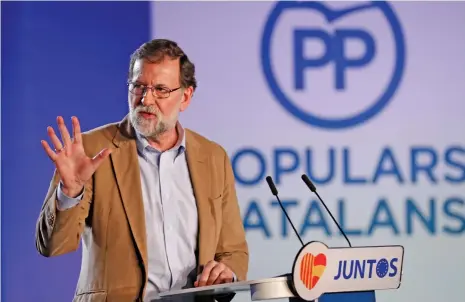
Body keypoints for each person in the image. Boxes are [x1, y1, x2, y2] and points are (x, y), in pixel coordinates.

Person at [35, 39, 249, 302]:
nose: (146, 99)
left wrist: (226, 272)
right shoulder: (92, 150)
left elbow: (233, 252)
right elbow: (53, 246)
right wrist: (70, 192)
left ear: (186, 96)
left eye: (160, 89)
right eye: (138, 86)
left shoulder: (213, 157)